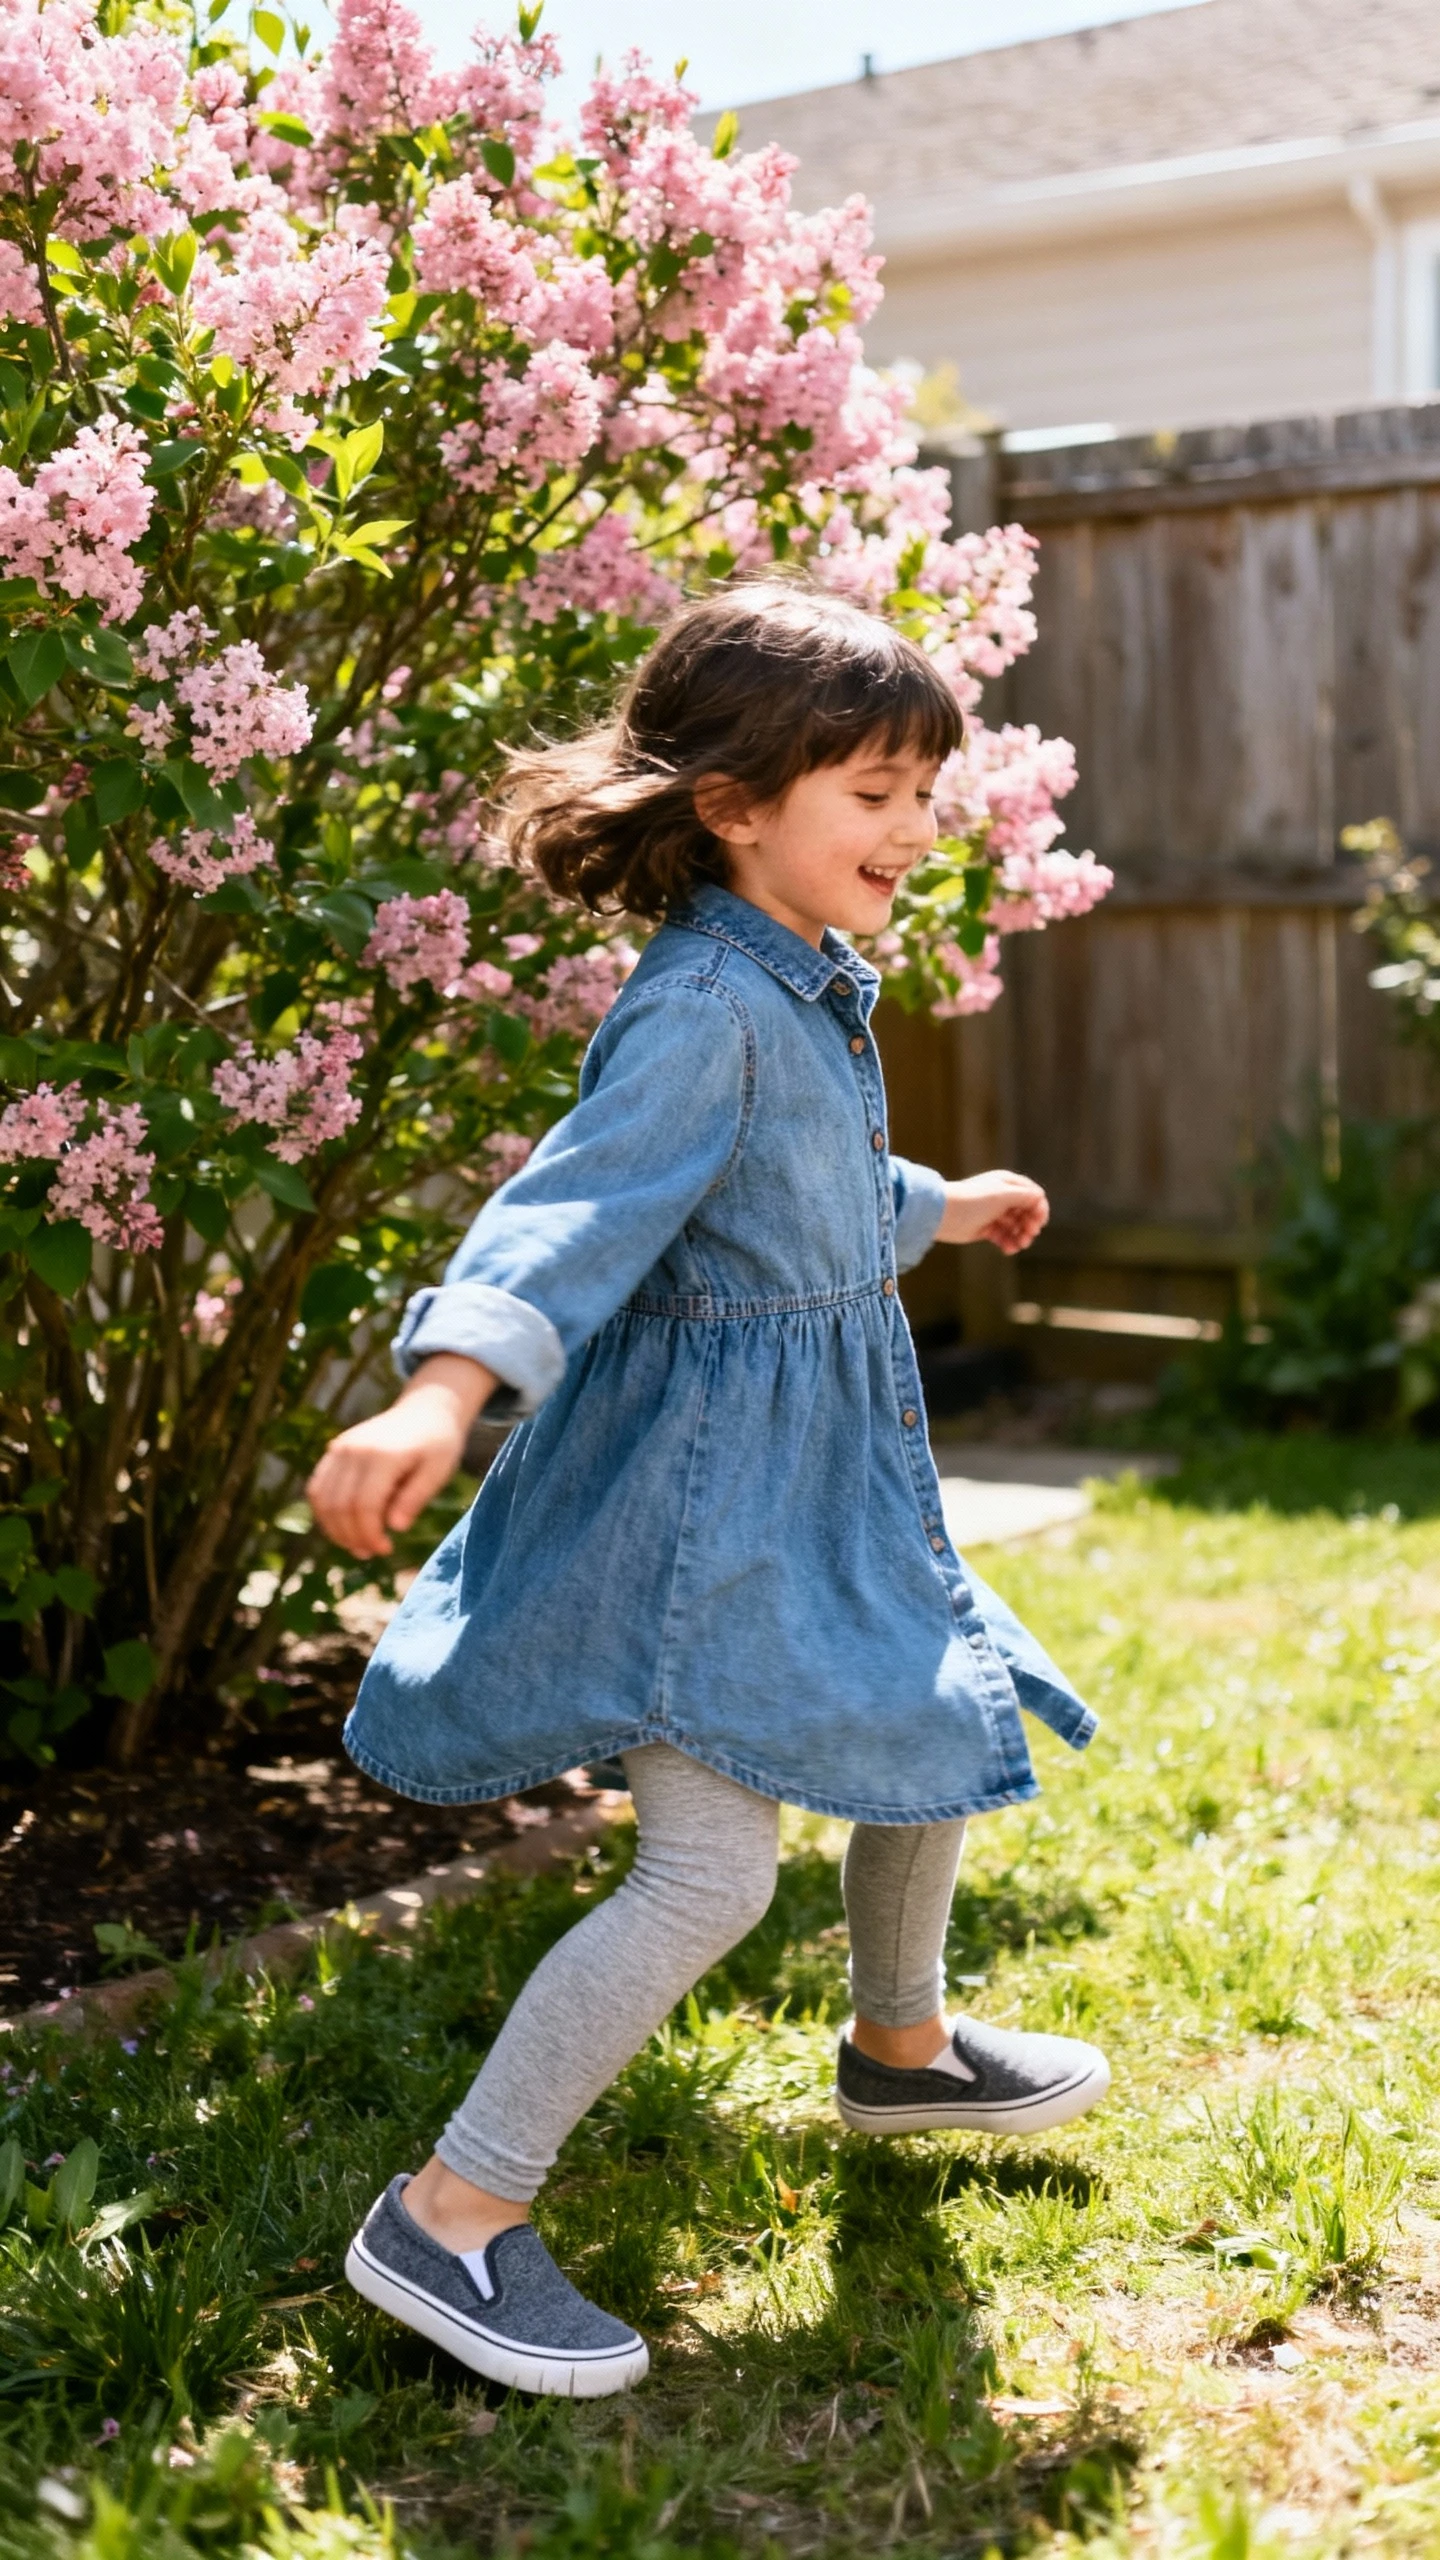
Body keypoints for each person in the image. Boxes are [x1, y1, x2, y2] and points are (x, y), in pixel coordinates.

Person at [308, 580, 1109, 2403]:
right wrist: (448, 1385)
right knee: (705, 1879)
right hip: (701, 1525)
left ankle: (899, 2046)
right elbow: (579, 1211)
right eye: (875, 793)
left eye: (926, 789)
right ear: (736, 803)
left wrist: (934, 1202)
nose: (916, 829)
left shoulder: (791, 980)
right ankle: (446, 2214)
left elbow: (789, 1188)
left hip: (812, 1494)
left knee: (923, 1712)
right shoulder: (700, 1010)